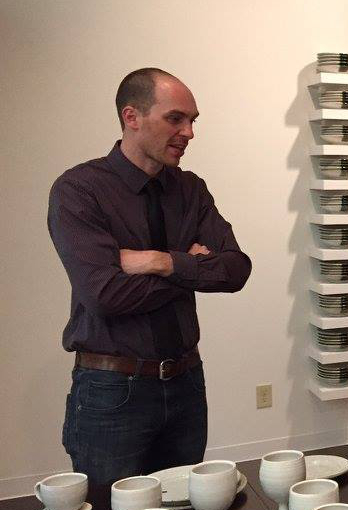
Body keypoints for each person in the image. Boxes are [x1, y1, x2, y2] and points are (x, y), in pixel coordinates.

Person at [47, 68, 251, 502]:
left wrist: (159, 262)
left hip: (186, 382)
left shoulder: (191, 189)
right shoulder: (79, 190)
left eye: (193, 120)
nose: (189, 132)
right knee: (110, 503)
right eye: (176, 118)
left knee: (186, 502)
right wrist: (191, 266)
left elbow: (236, 270)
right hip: (111, 390)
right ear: (132, 117)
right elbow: (105, 295)